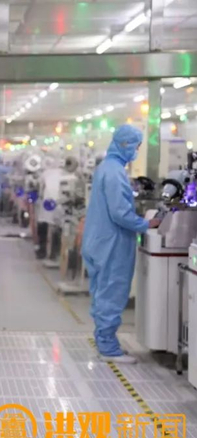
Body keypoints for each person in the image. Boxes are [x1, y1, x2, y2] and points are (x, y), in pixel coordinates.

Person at [82, 124, 161, 364]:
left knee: (102, 292)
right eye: (136, 146)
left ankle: (105, 341)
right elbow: (120, 213)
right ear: (125, 144)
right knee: (112, 292)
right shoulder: (115, 172)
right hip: (112, 244)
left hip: (98, 240)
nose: (137, 150)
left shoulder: (106, 167)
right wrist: (146, 224)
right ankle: (108, 348)